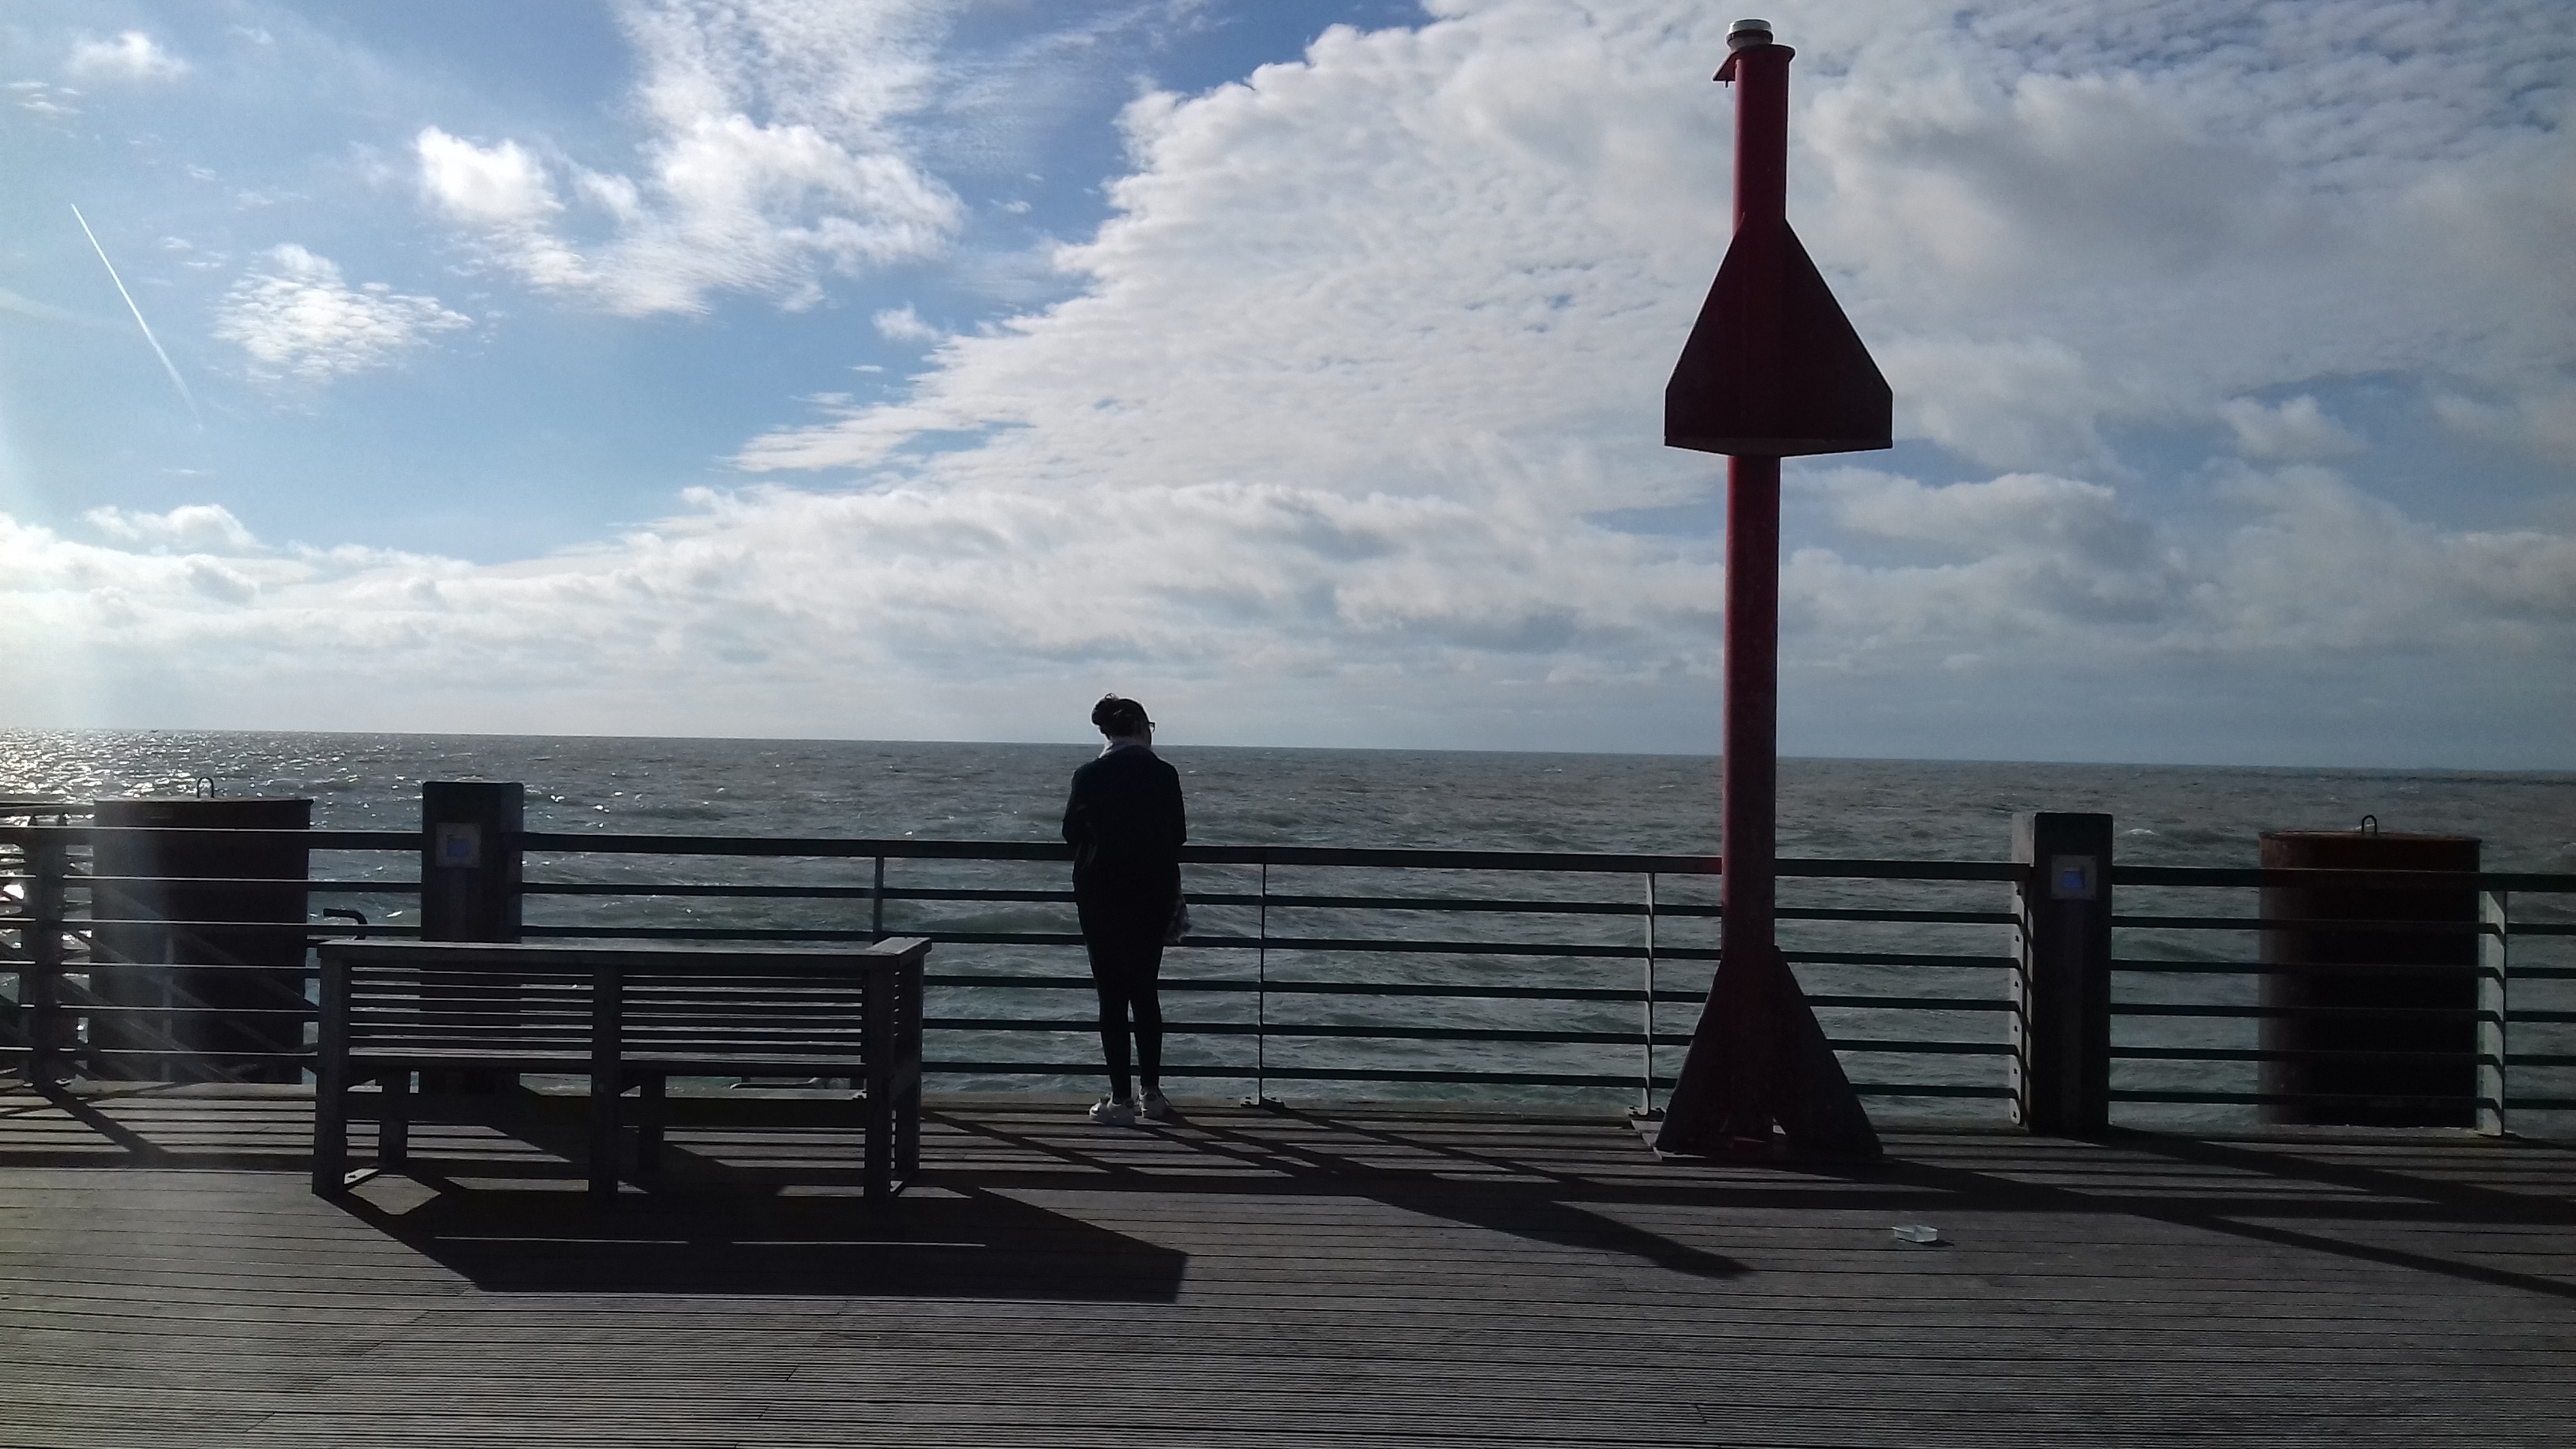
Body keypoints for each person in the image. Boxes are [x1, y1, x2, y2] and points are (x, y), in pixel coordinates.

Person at [1061, 694, 1187, 1125]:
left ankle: (1119, 1101)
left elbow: (1070, 832)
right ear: (1139, 727)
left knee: (1112, 997)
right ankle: (1152, 1094)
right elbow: (1178, 834)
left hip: (1101, 895)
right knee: (1145, 992)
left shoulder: (1089, 775)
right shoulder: (1164, 774)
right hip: (1152, 892)